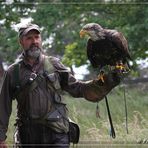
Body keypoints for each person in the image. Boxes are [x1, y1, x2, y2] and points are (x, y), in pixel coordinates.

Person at [0, 23, 121, 148]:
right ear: (21, 42)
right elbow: (3, 106)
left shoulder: (54, 64)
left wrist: (105, 82)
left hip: (57, 133)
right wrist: (1, 138)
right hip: (29, 135)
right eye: (29, 38)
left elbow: (77, 88)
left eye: (37, 37)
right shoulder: (13, 72)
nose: (34, 41)